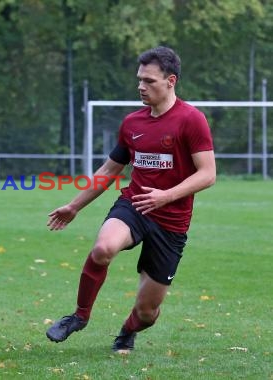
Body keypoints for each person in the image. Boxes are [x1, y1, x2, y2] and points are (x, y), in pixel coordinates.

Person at [45, 46, 216, 353]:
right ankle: (79, 317)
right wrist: (74, 206)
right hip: (134, 206)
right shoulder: (132, 123)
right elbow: (110, 169)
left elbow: (208, 174)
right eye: (139, 79)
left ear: (171, 81)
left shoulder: (191, 120)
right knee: (103, 248)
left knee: (147, 312)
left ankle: (128, 331)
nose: (141, 86)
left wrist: (167, 196)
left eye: (149, 80)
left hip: (172, 222)